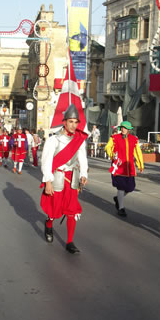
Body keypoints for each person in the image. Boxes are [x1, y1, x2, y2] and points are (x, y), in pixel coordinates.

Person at [40, 104, 88, 254]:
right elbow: (46, 161)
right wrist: (48, 181)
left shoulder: (79, 140)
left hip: (72, 177)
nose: (73, 125)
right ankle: (49, 224)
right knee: (54, 210)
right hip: (57, 177)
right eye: (71, 122)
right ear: (65, 122)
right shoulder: (54, 140)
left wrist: (84, 174)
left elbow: (82, 158)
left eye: (76, 122)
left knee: (72, 210)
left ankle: (70, 242)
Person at [105, 121, 144, 217]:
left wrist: (140, 164)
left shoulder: (134, 139)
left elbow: (137, 152)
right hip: (118, 167)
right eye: (122, 127)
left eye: (125, 128)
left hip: (129, 167)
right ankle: (121, 208)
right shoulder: (114, 138)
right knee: (121, 187)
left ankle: (118, 198)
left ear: (129, 129)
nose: (123, 129)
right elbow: (108, 147)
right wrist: (112, 155)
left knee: (131, 188)